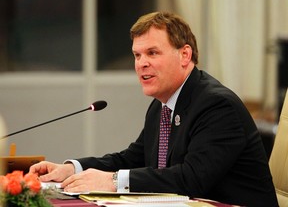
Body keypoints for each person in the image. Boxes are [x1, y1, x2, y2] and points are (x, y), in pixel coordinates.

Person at [30, 11, 278, 206]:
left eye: (152, 53)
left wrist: (112, 181)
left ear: (184, 55)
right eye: (137, 56)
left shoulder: (217, 106)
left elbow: (191, 179)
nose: (141, 64)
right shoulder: (162, 105)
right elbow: (132, 158)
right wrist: (73, 168)